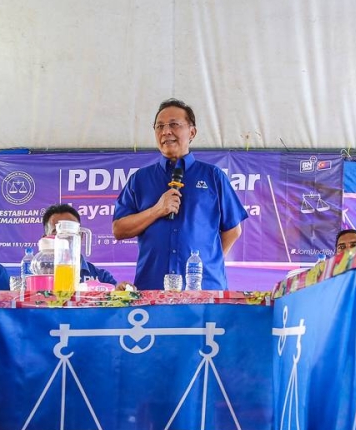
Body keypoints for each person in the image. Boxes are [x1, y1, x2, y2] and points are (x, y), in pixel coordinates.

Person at [112, 98, 247, 290]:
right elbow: (119, 229)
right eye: (159, 126)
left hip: (205, 289)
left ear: (192, 132)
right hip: (153, 289)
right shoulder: (139, 180)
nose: (166, 131)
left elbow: (233, 230)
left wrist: (208, 264)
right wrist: (157, 210)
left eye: (174, 124)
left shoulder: (213, 176)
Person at [42, 203, 126, 289]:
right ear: (45, 239)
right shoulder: (35, 274)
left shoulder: (101, 278)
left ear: (81, 236)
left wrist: (122, 290)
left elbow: (116, 296)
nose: (65, 237)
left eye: (71, 231)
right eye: (57, 232)